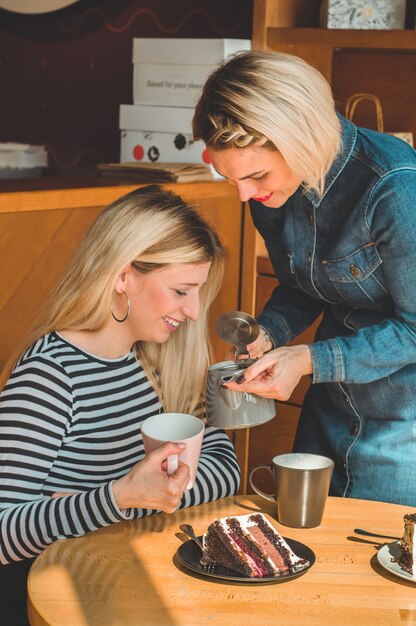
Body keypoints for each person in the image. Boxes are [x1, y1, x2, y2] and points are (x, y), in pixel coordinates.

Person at [0, 185, 240, 625]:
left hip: (133, 585)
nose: (192, 311)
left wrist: (135, 500)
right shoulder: (51, 376)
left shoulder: (157, 359)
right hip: (62, 602)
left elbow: (226, 467)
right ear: (122, 275)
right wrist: (117, 497)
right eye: (181, 290)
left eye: (197, 293)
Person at [193, 49, 416, 508]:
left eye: (255, 176)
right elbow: (302, 285)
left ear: (302, 138)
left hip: (403, 426)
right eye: (231, 178)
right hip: (330, 403)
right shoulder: (270, 193)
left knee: (378, 561)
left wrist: (309, 359)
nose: (244, 196)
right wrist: (268, 334)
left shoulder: (394, 186)